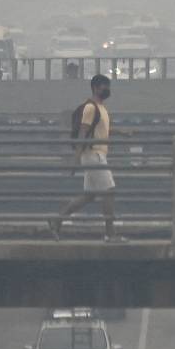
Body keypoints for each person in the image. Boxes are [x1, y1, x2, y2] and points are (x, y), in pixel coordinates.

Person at [49, 74, 124, 242]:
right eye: (104, 86)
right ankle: (110, 234)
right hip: (94, 155)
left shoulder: (102, 108)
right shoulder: (90, 108)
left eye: (108, 86)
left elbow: (101, 131)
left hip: (96, 154)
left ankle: (56, 220)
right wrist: (76, 158)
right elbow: (83, 133)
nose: (107, 90)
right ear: (95, 88)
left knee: (89, 195)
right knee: (109, 191)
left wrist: (122, 132)